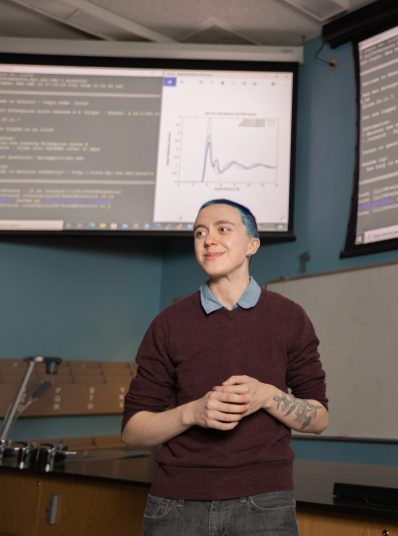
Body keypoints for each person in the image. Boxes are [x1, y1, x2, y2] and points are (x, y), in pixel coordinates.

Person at [122, 199, 328, 536]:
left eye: (222, 229)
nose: (208, 240)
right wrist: (193, 412)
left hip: (265, 504)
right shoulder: (168, 324)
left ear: (252, 245)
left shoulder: (290, 318)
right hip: (175, 504)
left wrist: (267, 397)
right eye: (199, 232)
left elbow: (319, 418)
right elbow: (133, 431)